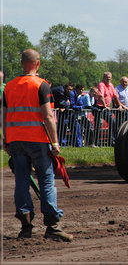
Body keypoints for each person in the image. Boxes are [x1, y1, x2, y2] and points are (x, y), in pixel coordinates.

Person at [1, 49, 73, 242]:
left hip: (16, 141)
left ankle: (25, 227)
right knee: (47, 182)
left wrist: (6, 141)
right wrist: (55, 142)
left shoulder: (9, 86)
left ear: (22, 62)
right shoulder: (42, 85)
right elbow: (48, 116)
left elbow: (4, 117)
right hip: (38, 141)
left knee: (22, 182)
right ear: (37, 63)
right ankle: (52, 226)